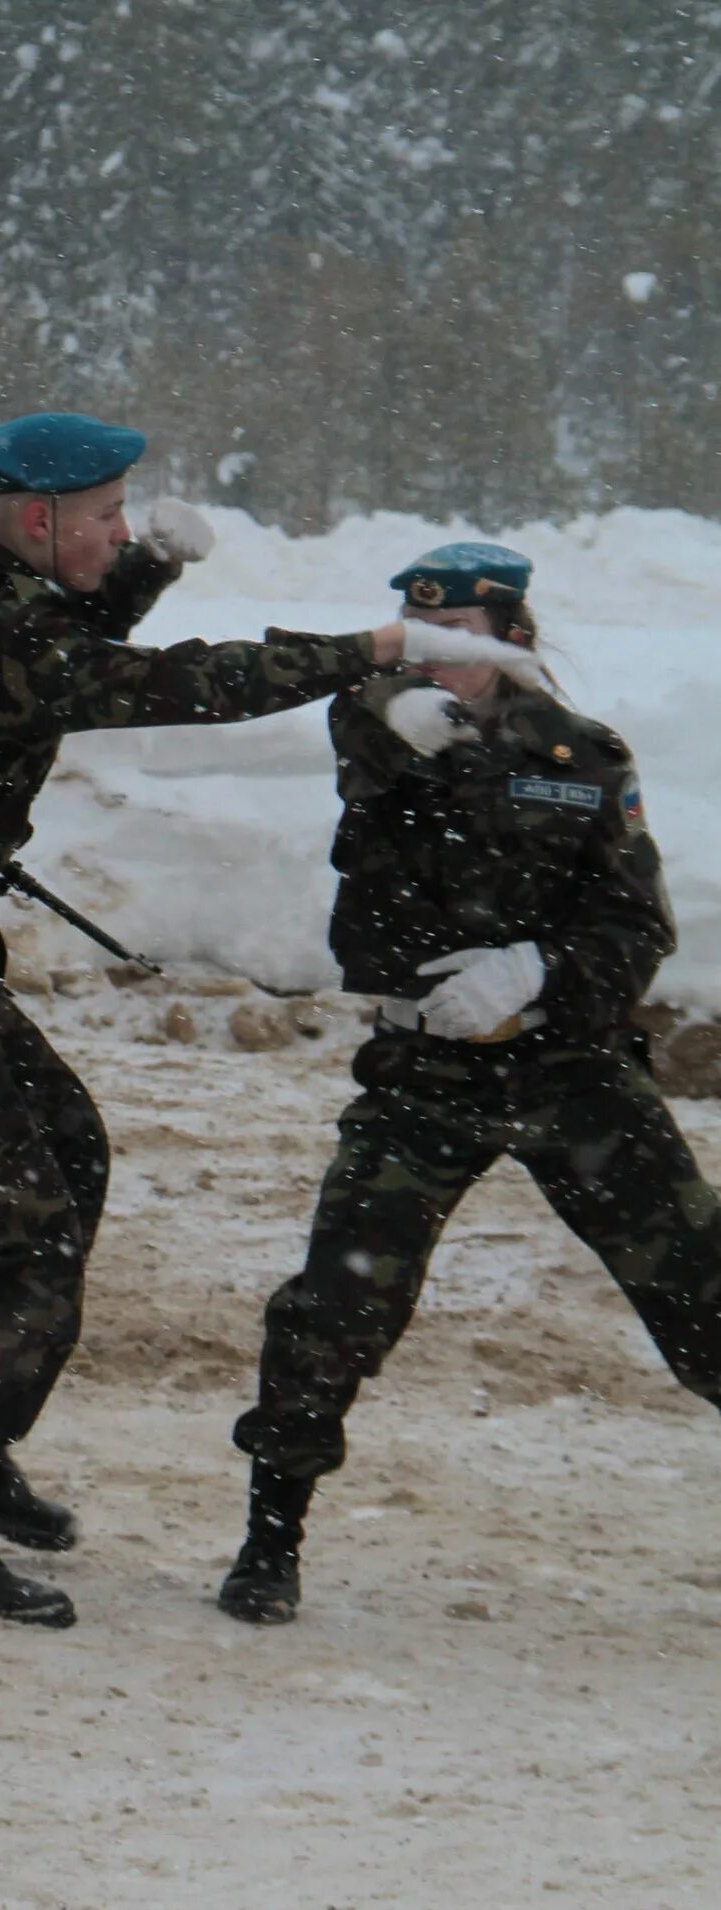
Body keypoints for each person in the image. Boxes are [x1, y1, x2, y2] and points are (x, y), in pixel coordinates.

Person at [0, 411, 535, 1629]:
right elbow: (154, 685)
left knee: (69, 1162)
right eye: (105, 519)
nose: (121, 530)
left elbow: (67, 645)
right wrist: (376, 645)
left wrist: (139, 569)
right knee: (25, 1233)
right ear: (38, 521)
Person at [220, 541, 721, 1623]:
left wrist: (537, 972)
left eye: (467, 640)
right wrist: (394, 704)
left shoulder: (582, 754)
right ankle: (272, 1535)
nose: (443, 661)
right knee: (335, 1306)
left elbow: (638, 926)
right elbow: (349, 707)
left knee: (701, 1281)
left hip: (568, 1066)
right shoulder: (382, 728)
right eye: (425, 637)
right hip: (425, 1071)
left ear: (514, 639)